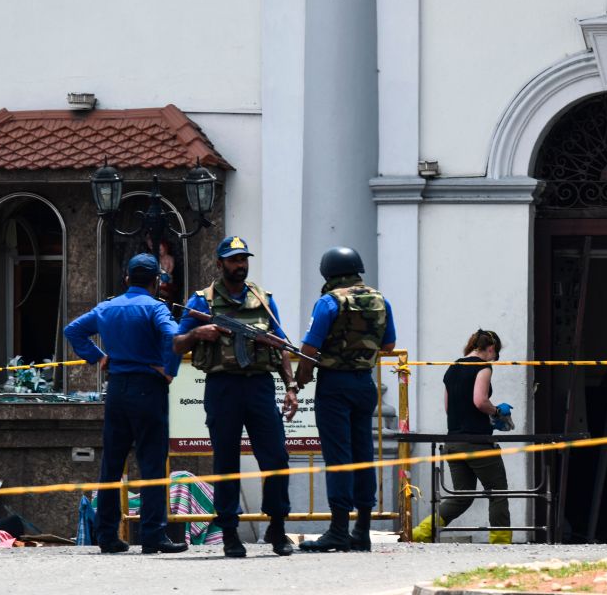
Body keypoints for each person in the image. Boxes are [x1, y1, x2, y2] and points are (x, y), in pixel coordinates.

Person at [172, 235, 298, 558]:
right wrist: (199, 333)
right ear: (220, 264)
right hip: (223, 387)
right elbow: (177, 343)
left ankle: (278, 525)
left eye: (243, 260)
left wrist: (292, 387)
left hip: (259, 386)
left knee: (276, 458)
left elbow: (279, 344)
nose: (240, 265)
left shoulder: (263, 299)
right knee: (226, 460)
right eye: (233, 260)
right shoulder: (203, 301)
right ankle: (229, 532)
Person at [64, 253, 187, 554]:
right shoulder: (155, 308)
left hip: (117, 389)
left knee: (112, 464)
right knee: (152, 462)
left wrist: (98, 357)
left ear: (128, 279)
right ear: (157, 281)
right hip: (148, 389)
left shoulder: (107, 308)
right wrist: (169, 371)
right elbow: (174, 336)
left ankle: (107, 535)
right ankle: (153, 536)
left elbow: (73, 330)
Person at [295, 246, 396, 553]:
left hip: (334, 387)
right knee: (364, 453)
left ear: (328, 274)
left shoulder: (328, 302)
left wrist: (301, 377)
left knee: (338, 457)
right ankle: (362, 530)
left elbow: (310, 348)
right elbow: (389, 345)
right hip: (365, 385)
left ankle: (338, 529)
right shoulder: (380, 300)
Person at [412, 329, 514, 544]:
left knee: (463, 495)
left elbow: (449, 408)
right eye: (496, 354)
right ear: (491, 349)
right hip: (478, 443)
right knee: (497, 492)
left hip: (453, 442)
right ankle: (501, 541)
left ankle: (421, 533)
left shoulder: (452, 368)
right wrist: (496, 411)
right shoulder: (483, 367)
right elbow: (479, 401)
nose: (495, 359)